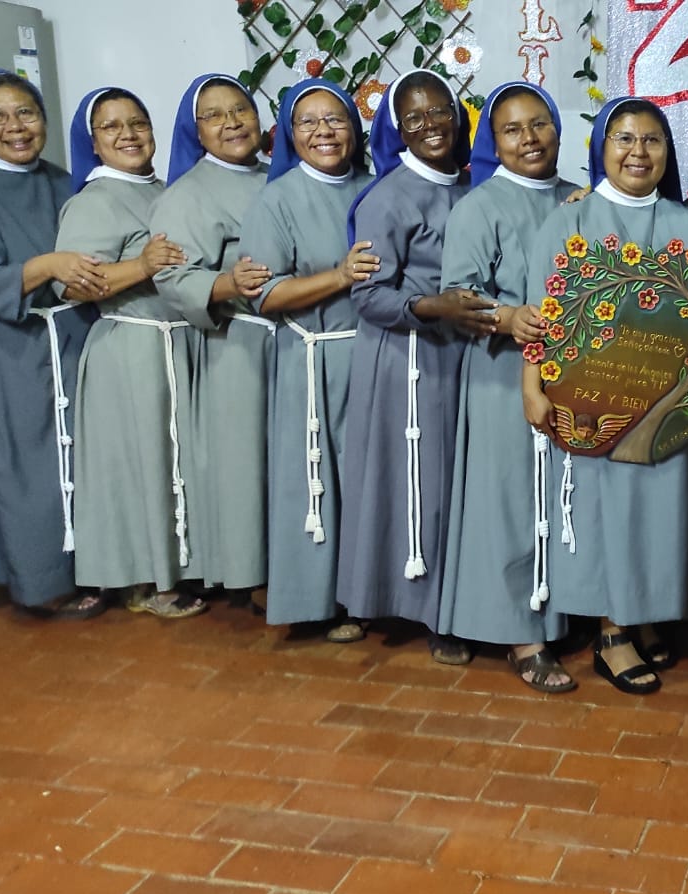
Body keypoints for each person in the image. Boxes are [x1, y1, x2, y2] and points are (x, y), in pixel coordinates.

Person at [521, 96, 688, 695]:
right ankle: (612, 633)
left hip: (665, 400)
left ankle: (646, 613)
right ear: (601, 148)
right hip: (590, 399)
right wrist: (531, 387)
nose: (638, 152)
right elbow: (540, 314)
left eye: (652, 140)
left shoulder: (687, 224)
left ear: (668, 152)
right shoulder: (569, 222)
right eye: (625, 139)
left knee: (662, 510)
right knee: (611, 511)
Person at [0, 69, 106, 618]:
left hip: (71, 336)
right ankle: (41, 582)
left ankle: (93, 565)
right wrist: (46, 265)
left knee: (83, 456)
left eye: (26, 113)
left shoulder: (60, 180)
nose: (15, 127)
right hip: (12, 346)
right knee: (28, 470)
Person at [338, 70, 485, 662]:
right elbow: (369, 296)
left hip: (462, 352)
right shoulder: (389, 196)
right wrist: (433, 307)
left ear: (458, 115)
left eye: (440, 111)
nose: (430, 125)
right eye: (415, 118)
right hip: (410, 356)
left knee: (458, 481)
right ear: (398, 130)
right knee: (422, 484)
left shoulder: (472, 184)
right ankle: (429, 612)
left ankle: (456, 600)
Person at [438, 82, 579, 692]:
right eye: (512, 130)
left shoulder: (579, 197)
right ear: (493, 144)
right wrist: (507, 316)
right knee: (511, 500)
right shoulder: (480, 207)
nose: (529, 139)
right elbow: (458, 295)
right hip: (503, 372)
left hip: (574, 374)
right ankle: (521, 634)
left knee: (563, 495)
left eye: (539, 124)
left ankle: (565, 610)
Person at [60, 86, 207, 618]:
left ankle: (180, 565)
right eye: (111, 126)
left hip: (177, 343)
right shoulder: (94, 200)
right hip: (132, 348)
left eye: (138, 123)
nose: (128, 135)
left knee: (173, 463)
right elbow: (72, 285)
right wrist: (142, 266)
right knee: (141, 466)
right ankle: (149, 581)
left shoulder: (165, 189)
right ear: (93, 143)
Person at [239, 78, 374, 636]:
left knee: (367, 480)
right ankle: (319, 602)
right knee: (317, 482)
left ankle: (368, 593)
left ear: (355, 128)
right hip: (313, 357)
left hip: (372, 356)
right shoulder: (278, 199)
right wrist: (340, 276)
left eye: (335, 119)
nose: (324, 132)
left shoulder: (373, 186)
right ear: (290, 135)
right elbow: (265, 294)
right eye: (308, 122)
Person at [150, 74, 273, 610]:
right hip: (237, 343)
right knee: (246, 461)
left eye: (240, 110)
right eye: (215, 115)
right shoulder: (188, 195)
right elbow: (173, 277)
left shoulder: (278, 176)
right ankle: (256, 572)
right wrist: (228, 284)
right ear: (194, 131)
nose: (232, 123)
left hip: (294, 339)